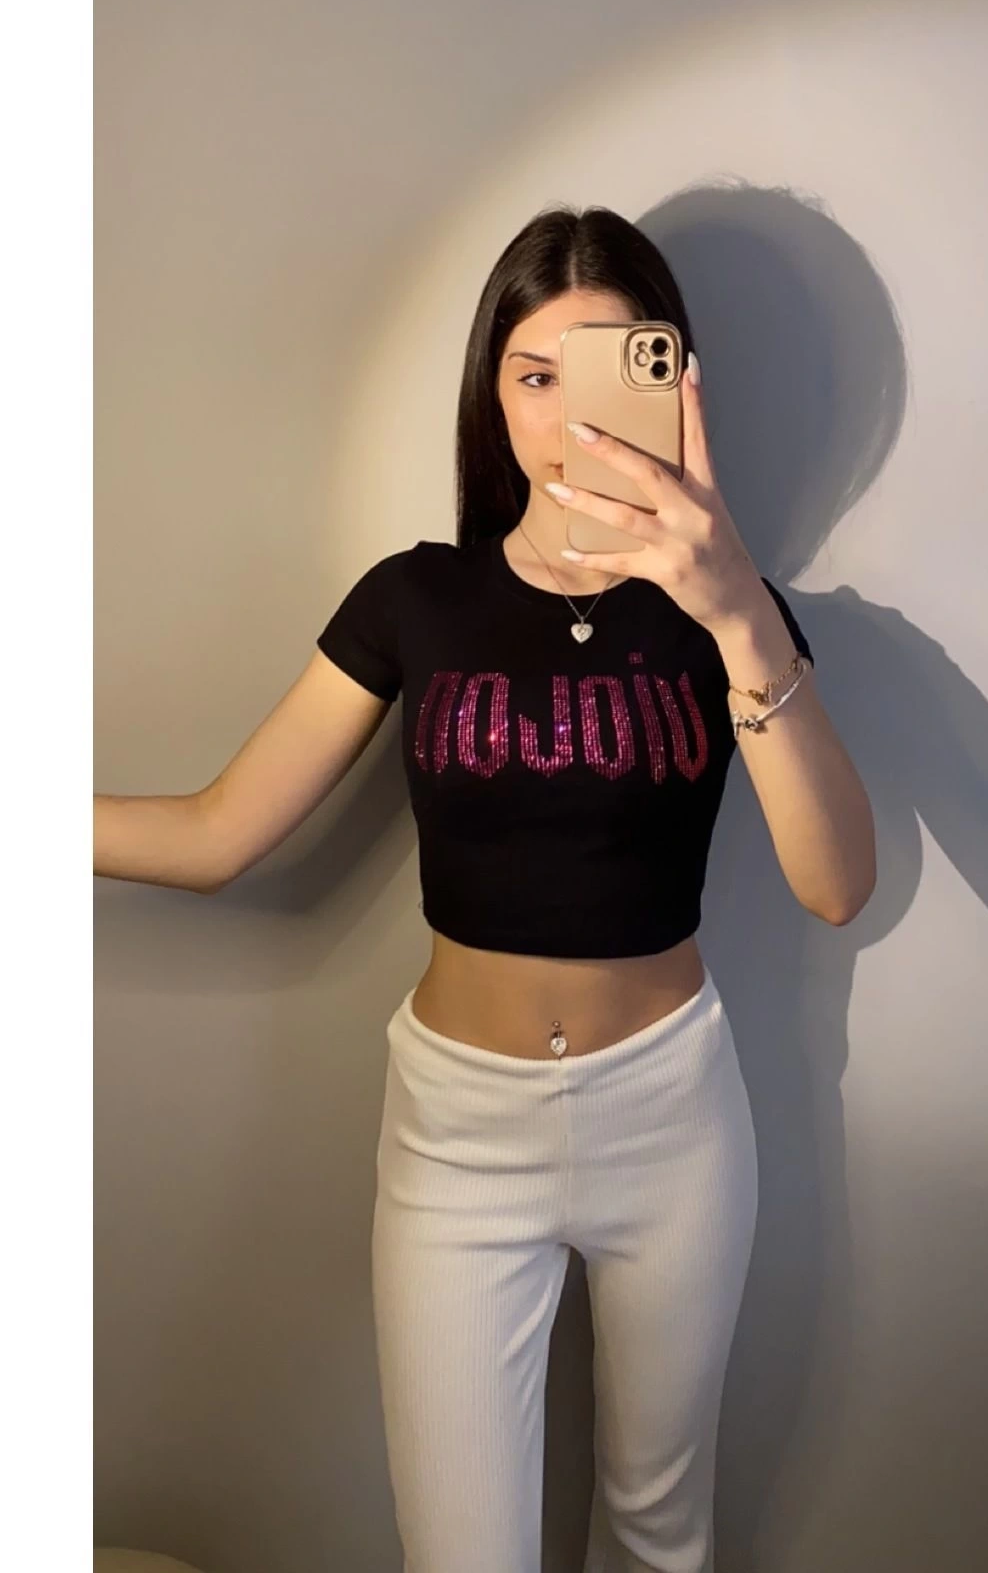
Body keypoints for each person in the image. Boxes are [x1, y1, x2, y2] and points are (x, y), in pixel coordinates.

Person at [95, 205, 876, 1573]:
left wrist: (737, 609)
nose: (571, 417)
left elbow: (836, 885)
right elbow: (220, 831)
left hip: (672, 1117)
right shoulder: (418, 599)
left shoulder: (730, 613)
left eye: (608, 367)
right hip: (457, 1134)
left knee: (661, 1534)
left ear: (671, 383)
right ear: (493, 394)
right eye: (535, 375)